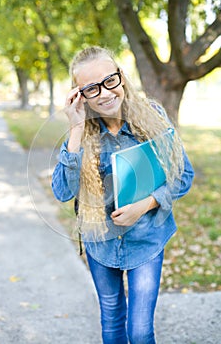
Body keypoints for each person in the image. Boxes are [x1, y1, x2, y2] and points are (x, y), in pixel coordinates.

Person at [52, 46, 194, 344]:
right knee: (112, 322)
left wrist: (145, 205)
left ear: (121, 77)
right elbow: (63, 191)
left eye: (109, 81)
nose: (104, 93)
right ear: (79, 95)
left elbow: (184, 175)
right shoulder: (82, 134)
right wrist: (75, 130)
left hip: (146, 241)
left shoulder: (152, 116)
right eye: (91, 88)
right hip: (100, 244)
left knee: (140, 331)